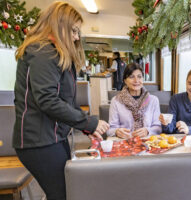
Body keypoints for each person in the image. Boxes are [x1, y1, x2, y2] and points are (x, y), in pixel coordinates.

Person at [13, 2, 109, 200]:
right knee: (62, 194)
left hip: (52, 138)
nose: (76, 37)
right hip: (39, 141)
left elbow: (66, 101)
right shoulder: (43, 52)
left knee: (66, 190)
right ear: (59, 25)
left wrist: (88, 126)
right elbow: (47, 100)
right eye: (74, 31)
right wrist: (89, 122)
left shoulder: (53, 52)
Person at [108, 63, 161, 138]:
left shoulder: (153, 100)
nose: (136, 80)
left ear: (143, 79)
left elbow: (158, 127)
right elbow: (110, 129)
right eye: (131, 77)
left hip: (149, 142)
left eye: (139, 77)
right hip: (125, 142)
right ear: (125, 81)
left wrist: (147, 131)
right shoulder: (116, 101)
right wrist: (116, 131)